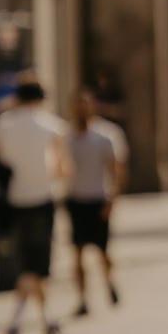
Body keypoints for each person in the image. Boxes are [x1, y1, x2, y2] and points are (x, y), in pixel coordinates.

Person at [0, 74, 67, 334]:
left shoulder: (2, 125)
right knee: (37, 266)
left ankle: (35, 320)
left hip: (15, 200)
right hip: (43, 198)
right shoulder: (52, 127)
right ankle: (28, 321)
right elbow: (61, 168)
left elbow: (0, 156)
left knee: (28, 263)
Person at [65, 88, 128, 316]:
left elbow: (116, 168)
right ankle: (82, 299)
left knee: (103, 251)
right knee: (77, 252)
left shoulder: (105, 135)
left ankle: (109, 282)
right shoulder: (67, 135)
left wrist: (113, 197)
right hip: (75, 199)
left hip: (98, 198)